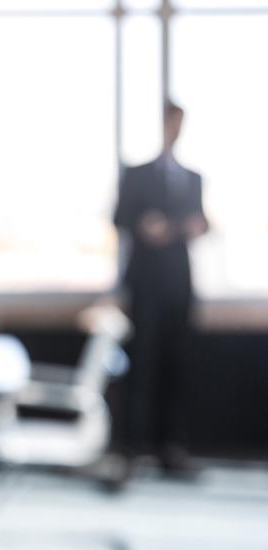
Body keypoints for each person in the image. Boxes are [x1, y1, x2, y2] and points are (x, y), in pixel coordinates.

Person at [113, 100, 209, 476]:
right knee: (143, 364)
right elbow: (120, 218)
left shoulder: (193, 178)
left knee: (178, 366)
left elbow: (200, 222)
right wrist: (144, 225)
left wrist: (197, 226)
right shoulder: (137, 175)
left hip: (179, 285)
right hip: (146, 285)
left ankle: (173, 446)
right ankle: (133, 448)